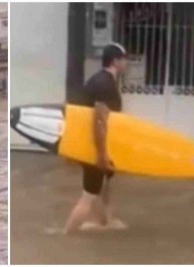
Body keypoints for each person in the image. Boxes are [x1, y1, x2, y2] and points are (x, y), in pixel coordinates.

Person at [64, 43, 129, 234]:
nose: (127, 63)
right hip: (93, 148)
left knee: (106, 185)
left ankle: (106, 221)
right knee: (89, 195)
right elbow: (99, 121)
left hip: (102, 146)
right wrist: (101, 155)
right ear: (116, 61)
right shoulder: (103, 84)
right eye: (125, 59)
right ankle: (66, 235)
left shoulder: (106, 80)